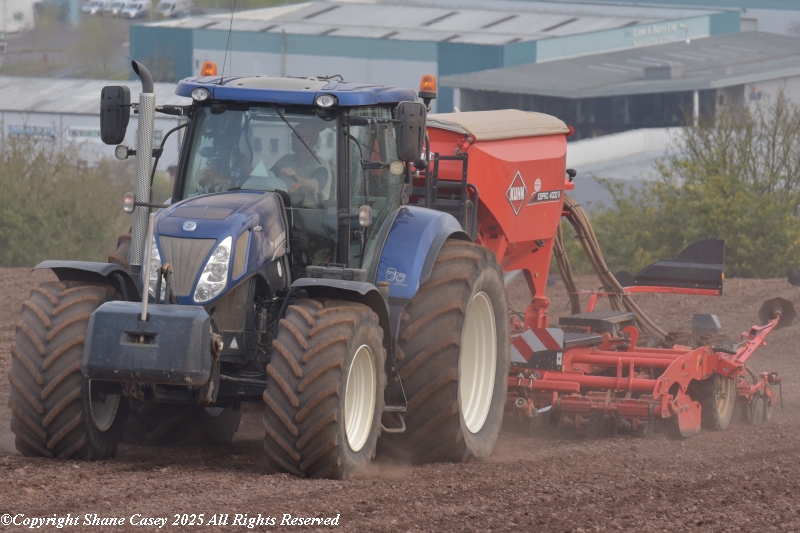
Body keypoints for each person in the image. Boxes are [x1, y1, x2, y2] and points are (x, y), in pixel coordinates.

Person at [270, 122, 330, 207]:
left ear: (311, 140)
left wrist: (295, 176)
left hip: (310, 211)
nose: (292, 139)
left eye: (298, 136)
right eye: (292, 135)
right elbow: (268, 177)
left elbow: (315, 186)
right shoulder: (285, 160)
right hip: (285, 207)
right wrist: (245, 167)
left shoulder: (320, 165)